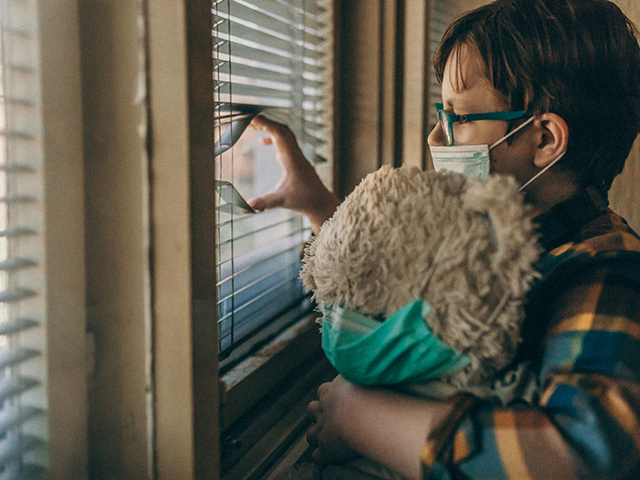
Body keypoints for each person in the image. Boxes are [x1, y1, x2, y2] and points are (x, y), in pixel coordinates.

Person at [248, 0, 640, 478]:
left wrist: (359, 418)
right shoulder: (480, 240)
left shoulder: (607, 270)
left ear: (543, 141)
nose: (436, 137)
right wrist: (317, 207)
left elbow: (578, 456)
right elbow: (399, 290)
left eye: (460, 117)